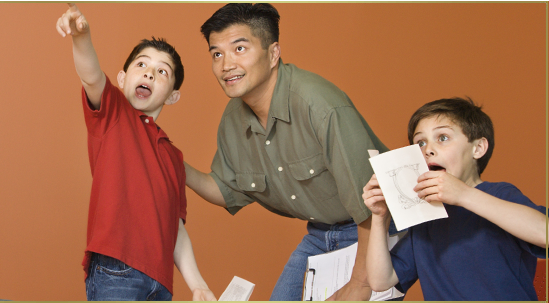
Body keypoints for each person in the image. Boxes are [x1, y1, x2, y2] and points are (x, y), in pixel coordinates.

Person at [186, 3, 389, 300]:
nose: (225, 64)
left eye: (239, 49)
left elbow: (372, 205)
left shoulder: (319, 105)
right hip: (322, 234)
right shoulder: (234, 117)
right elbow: (225, 188)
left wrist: (360, 283)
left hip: (383, 230)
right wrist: (172, 163)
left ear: (273, 53)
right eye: (217, 54)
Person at [56, 4, 215, 301]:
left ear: (173, 95)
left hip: (161, 281)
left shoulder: (174, 157)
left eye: (161, 71)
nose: (150, 73)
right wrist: (82, 37)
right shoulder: (114, 114)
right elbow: (90, 75)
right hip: (117, 271)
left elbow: (175, 227)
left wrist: (198, 284)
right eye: (141, 65)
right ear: (121, 78)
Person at [362, 97, 547, 300]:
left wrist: (463, 194)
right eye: (420, 143)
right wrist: (379, 218)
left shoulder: (500, 194)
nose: (427, 150)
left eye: (442, 138)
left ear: (477, 148)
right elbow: (380, 281)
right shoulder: (425, 216)